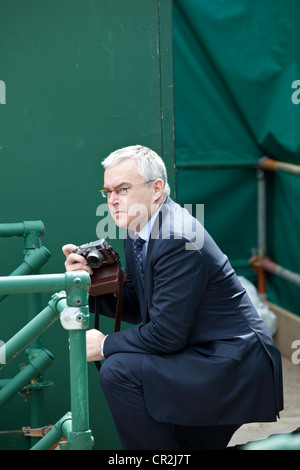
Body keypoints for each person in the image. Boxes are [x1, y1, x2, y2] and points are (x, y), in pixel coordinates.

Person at [63, 145, 283, 450]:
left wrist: (103, 344)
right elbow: (142, 306)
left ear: (156, 190)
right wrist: (86, 284)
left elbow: (166, 335)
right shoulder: (139, 229)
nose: (113, 200)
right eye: (108, 191)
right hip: (201, 355)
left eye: (123, 189)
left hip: (231, 363)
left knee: (118, 369)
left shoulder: (178, 237)